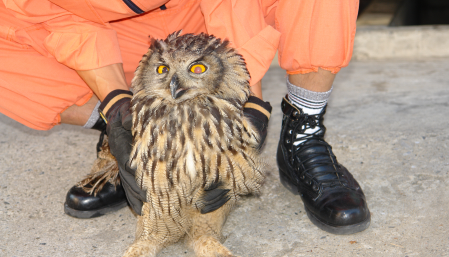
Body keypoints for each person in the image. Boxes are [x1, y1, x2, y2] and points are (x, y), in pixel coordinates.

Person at [0, 0, 370, 234]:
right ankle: (141, 135)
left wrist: (249, 105)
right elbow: (43, 12)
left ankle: (302, 135)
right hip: (118, 35)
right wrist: (117, 106)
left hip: (207, 18)